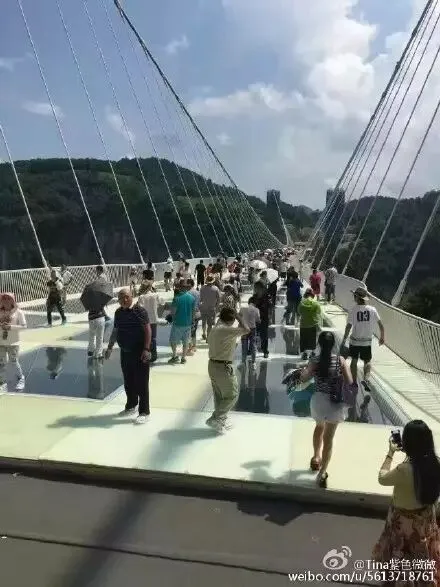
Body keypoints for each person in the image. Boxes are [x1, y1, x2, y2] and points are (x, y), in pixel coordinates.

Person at [373, 420, 440, 580]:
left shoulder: (403, 469)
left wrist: (390, 453)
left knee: (402, 553)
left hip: (403, 521)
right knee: (422, 551)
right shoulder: (435, 462)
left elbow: (382, 478)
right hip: (425, 517)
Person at [299, 331, 352, 488]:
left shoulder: (315, 360)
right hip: (335, 403)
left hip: (318, 401)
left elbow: (304, 378)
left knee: (319, 426)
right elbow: (350, 382)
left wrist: (304, 370)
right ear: (333, 344)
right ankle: (322, 472)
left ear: (320, 344)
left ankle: (316, 457)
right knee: (329, 438)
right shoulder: (340, 360)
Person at [105, 288, 151, 424]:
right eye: (121, 298)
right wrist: (109, 347)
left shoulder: (140, 311)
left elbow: (148, 330)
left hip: (140, 352)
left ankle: (144, 411)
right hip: (125, 352)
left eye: (127, 297)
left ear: (132, 296)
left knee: (141, 382)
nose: (124, 300)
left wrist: (146, 349)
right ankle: (131, 405)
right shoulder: (118, 313)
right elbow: (115, 330)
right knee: (128, 381)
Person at [206, 307, 250, 433]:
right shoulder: (226, 330)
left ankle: (220, 421)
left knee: (220, 396)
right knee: (232, 395)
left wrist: (232, 314)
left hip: (213, 365)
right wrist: (239, 316)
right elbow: (247, 329)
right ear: (231, 320)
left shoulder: (217, 327)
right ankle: (216, 418)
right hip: (223, 367)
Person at [340, 287, 385, 390]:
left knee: (354, 360)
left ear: (357, 297)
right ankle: (366, 379)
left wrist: (344, 339)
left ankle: (354, 382)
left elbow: (348, 326)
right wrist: (382, 337)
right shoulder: (372, 309)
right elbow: (381, 325)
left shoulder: (353, 310)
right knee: (367, 361)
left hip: (355, 341)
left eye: (354, 296)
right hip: (367, 341)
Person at [0, 292, 26, 392]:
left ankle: (21, 378)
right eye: (4, 299)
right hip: (1, 342)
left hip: (13, 343)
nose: (6, 301)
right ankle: (3, 383)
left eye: (8, 299)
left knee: (13, 362)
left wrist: (10, 327)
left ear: (13, 300)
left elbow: (24, 326)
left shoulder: (18, 312)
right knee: (1, 363)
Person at [168, 280, 196, 364]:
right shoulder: (192, 298)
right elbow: (193, 311)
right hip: (188, 323)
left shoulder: (176, 298)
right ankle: (183, 358)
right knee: (186, 341)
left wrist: (171, 318)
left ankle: (174, 356)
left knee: (173, 341)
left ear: (179, 287)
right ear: (187, 288)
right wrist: (192, 321)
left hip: (178, 323)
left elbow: (173, 312)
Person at [137, 280, 163, 362]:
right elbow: (162, 303)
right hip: (153, 319)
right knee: (153, 337)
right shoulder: (155, 295)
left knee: (145, 337)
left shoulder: (141, 297)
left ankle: (145, 353)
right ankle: (153, 355)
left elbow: (139, 308)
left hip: (144, 320)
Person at [298, 288, 322, 359]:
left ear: (305, 294)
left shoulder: (302, 302)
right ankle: (313, 353)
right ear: (312, 295)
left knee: (304, 339)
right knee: (314, 339)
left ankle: (305, 353)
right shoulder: (315, 303)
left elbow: (299, 312)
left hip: (303, 324)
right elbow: (319, 312)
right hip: (313, 324)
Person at [239, 296, 260, 366]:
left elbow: (239, 317)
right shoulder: (256, 310)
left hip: (244, 328)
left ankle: (243, 362)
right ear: (255, 303)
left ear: (249, 302)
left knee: (244, 346)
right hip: (252, 329)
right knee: (253, 345)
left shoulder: (242, 308)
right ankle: (254, 362)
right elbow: (258, 320)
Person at [199, 276, 221, 340]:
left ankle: (204, 333)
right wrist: (216, 306)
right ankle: (208, 337)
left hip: (203, 307)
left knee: (203, 322)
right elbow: (219, 299)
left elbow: (200, 299)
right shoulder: (216, 289)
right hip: (211, 308)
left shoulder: (202, 288)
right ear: (213, 281)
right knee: (210, 324)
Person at [253, 281, 271, 359]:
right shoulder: (254, 297)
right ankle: (252, 350)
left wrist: (270, 317)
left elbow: (270, 307)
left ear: (260, 288)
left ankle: (265, 351)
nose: (255, 289)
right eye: (255, 288)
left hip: (264, 319)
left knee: (264, 335)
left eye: (256, 288)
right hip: (255, 319)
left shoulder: (267, 296)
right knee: (254, 335)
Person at [187, 278, 201, 355]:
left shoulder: (187, 293)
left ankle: (190, 348)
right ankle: (194, 346)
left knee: (188, 331)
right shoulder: (198, 292)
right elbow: (199, 303)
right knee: (194, 331)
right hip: (197, 313)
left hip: (189, 314)